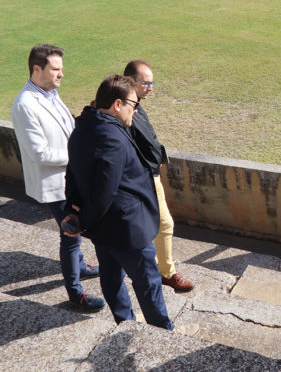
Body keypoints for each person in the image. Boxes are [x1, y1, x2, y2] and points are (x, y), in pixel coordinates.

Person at [63, 75, 173, 330]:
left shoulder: (82, 128)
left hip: (103, 230)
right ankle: (163, 332)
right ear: (117, 104)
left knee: (111, 279)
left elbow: (73, 174)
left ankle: (125, 323)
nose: (136, 109)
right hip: (127, 229)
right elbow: (105, 191)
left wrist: (74, 211)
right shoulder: (111, 136)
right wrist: (84, 223)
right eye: (133, 104)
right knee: (148, 285)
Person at [11, 44, 105, 312]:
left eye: (61, 69)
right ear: (37, 69)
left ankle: (81, 265)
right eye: (56, 69)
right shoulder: (24, 104)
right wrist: (78, 155)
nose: (62, 74)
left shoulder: (50, 93)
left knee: (74, 235)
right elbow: (39, 153)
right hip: (55, 184)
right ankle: (76, 295)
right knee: (71, 234)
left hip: (70, 179)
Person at [123, 59, 195, 292]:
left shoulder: (135, 102)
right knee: (164, 223)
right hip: (142, 177)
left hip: (149, 174)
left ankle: (156, 266)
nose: (151, 87)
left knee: (155, 224)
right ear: (132, 82)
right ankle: (167, 273)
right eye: (147, 82)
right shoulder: (124, 108)